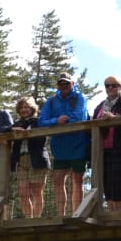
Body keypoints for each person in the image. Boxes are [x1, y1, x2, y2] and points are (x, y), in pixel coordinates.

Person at [38, 73, 89, 216]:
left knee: (78, 179)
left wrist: (60, 121)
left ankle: (77, 214)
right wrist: (56, 120)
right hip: (59, 147)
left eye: (67, 83)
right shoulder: (52, 101)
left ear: (73, 83)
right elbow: (42, 121)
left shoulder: (80, 98)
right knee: (58, 179)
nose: (64, 86)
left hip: (78, 145)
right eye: (61, 83)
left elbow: (79, 117)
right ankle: (61, 215)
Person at [93, 76, 121, 211]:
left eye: (114, 85)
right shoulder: (99, 106)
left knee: (116, 181)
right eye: (107, 85)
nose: (110, 88)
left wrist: (114, 118)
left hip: (119, 148)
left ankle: (119, 215)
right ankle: (112, 214)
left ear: (119, 87)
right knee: (105, 183)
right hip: (102, 150)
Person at [10, 96, 50, 218]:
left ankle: (37, 219)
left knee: (37, 192)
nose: (24, 110)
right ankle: (28, 219)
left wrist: (26, 134)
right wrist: (13, 129)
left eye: (26, 107)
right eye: (21, 107)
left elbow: (41, 139)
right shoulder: (17, 124)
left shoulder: (39, 122)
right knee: (23, 193)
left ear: (32, 108)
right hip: (21, 160)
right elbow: (2, 130)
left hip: (37, 159)